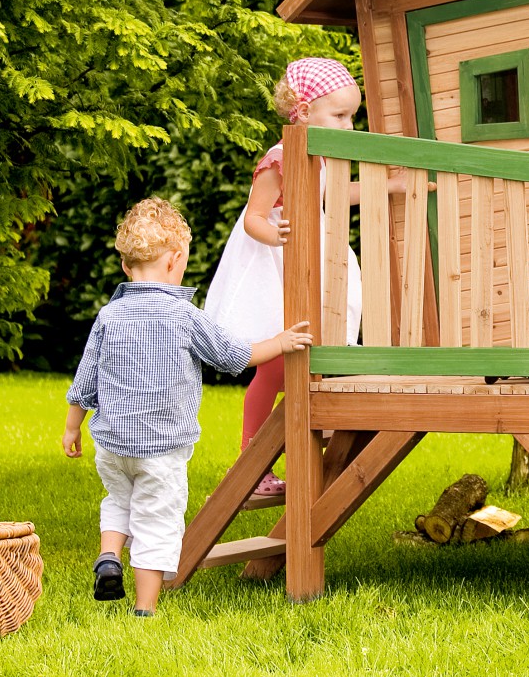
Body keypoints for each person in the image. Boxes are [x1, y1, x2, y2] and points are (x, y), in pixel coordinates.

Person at [62, 197, 312, 616]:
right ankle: (145, 610)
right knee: (156, 521)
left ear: (126, 267)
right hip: (161, 449)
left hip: (112, 444)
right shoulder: (184, 315)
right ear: (177, 260)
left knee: (119, 499)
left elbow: (86, 378)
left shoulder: (109, 315)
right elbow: (234, 356)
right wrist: (281, 342)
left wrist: (72, 428)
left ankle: (109, 557)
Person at [203, 57, 364, 497]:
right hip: (274, 262)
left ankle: (319, 426)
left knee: (314, 343)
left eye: (352, 115)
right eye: (340, 115)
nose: (348, 126)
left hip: (304, 258)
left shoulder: (324, 157)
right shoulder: (280, 157)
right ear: (304, 111)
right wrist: (275, 235)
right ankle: (250, 458)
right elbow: (254, 216)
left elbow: (334, 195)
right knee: (275, 364)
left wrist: (389, 187)